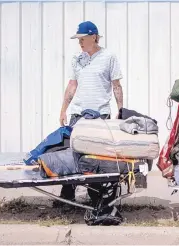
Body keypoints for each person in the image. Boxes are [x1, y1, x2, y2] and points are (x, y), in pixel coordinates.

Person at [55, 21, 124, 205]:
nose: (80, 43)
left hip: (100, 115)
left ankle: (97, 196)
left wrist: (121, 109)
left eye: (82, 39)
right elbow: (72, 85)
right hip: (77, 114)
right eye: (78, 39)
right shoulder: (77, 58)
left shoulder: (109, 57)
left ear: (94, 37)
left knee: (96, 157)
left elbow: (116, 85)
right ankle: (67, 194)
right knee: (72, 153)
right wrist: (63, 110)